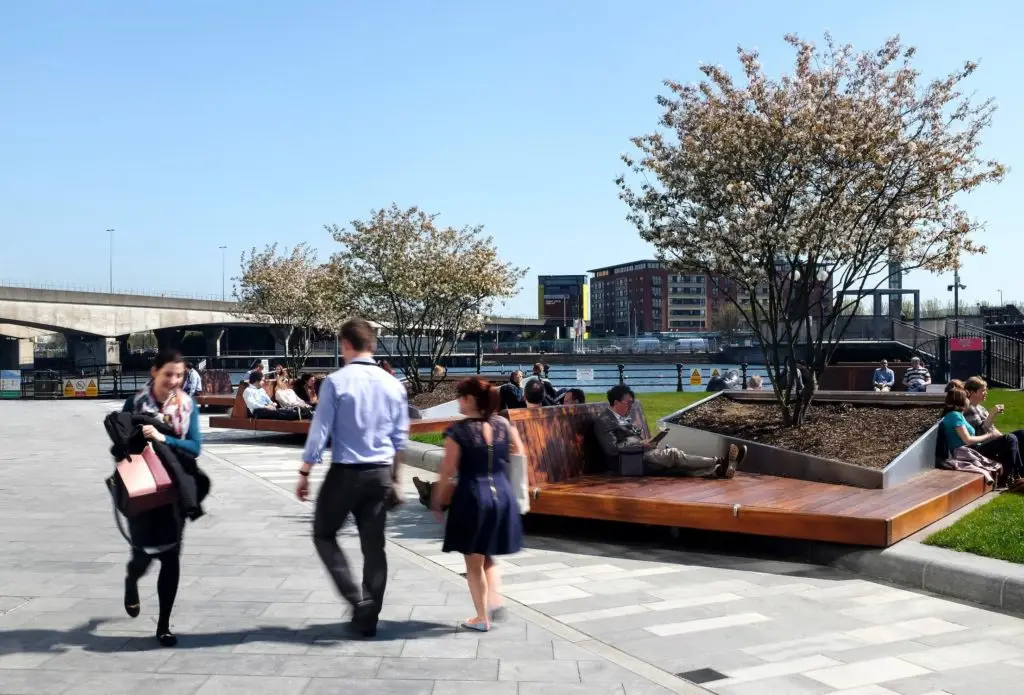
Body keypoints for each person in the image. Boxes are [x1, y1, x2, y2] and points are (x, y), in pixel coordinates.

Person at [298, 318, 409, 638]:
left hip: (345, 473)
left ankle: (356, 600)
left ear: (345, 344)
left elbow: (320, 432)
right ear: (371, 345)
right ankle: (369, 613)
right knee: (374, 547)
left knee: (324, 533)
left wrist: (305, 472)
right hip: (380, 473)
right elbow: (400, 440)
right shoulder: (394, 385)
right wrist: (396, 479)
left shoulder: (335, 382)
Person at [121, 349, 208, 648]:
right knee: (142, 555)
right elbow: (119, 445)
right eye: (168, 374)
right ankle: (131, 581)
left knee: (171, 556)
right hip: (142, 487)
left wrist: (163, 437)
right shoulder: (134, 403)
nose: (174, 380)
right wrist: (137, 438)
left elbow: (195, 447)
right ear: (154, 372)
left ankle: (163, 625)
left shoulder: (187, 405)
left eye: (179, 375)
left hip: (174, 490)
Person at [429, 377, 526, 631]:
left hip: (473, 496)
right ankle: (495, 599)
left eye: (461, 397)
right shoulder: (503, 424)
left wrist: (437, 499)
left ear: (471, 399)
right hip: (502, 496)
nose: (458, 401)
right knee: (487, 552)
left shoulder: (458, 431)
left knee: (473, 563)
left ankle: (481, 618)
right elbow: (519, 452)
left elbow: (447, 470)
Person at [595, 385, 746, 478]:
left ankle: (719, 471)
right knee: (673, 455)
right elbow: (612, 449)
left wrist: (649, 442)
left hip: (640, 455)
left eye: (632, 403)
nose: (630, 406)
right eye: (628, 403)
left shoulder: (622, 418)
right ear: (616, 402)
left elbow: (631, 441)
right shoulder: (604, 421)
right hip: (627, 462)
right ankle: (719, 461)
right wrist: (641, 445)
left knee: (676, 467)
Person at [962, 376, 1024, 486]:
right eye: (982, 390)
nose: (985, 393)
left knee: (1021, 434)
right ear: (972, 392)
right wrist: (992, 414)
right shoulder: (968, 410)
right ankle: (1013, 476)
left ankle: (1020, 474)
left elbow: (993, 429)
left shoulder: (981, 408)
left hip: (989, 442)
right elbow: (978, 433)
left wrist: (1004, 438)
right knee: (1010, 438)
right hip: (978, 448)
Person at [940, 386, 1003, 485]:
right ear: (961, 400)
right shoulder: (955, 416)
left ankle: (1012, 475)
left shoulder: (957, 415)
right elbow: (968, 440)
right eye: (966, 397)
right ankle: (1009, 477)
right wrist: (990, 435)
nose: (968, 400)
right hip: (966, 452)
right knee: (1009, 440)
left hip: (972, 449)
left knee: (1010, 439)